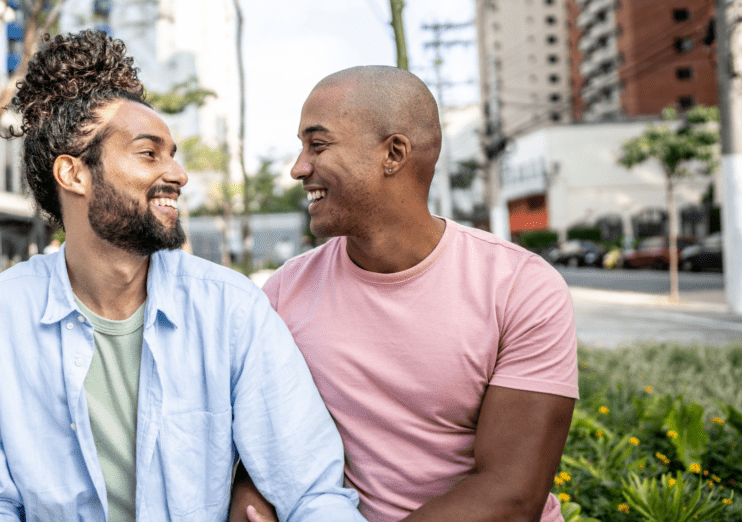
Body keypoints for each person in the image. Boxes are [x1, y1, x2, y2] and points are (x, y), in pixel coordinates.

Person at [0, 31, 366, 522]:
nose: (178, 174)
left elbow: (312, 493)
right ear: (74, 175)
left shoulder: (231, 310)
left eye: (172, 154)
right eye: (149, 153)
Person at [234, 66, 578, 522]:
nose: (299, 168)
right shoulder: (285, 292)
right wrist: (249, 498)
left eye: (317, 145)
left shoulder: (521, 288)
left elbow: (511, 496)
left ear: (393, 153)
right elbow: (263, 447)